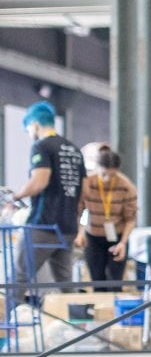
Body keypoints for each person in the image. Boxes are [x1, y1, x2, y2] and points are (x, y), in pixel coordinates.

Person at [3, 101, 86, 303]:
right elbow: (83, 192)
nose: (29, 133)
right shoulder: (74, 150)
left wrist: (15, 196)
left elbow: (39, 181)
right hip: (67, 227)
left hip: (43, 225)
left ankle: (10, 322)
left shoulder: (42, 146)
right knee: (65, 283)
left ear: (34, 125)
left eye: (28, 129)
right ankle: (77, 320)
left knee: (18, 280)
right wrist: (77, 223)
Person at [75, 147, 138, 290]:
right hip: (93, 236)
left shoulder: (127, 187)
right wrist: (80, 232)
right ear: (97, 168)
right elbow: (82, 211)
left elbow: (130, 219)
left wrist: (123, 243)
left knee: (115, 282)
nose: (107, 179)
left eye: (112, 175)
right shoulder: (87, 183)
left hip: (117, 237)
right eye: (103, 174)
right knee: (97, 281)